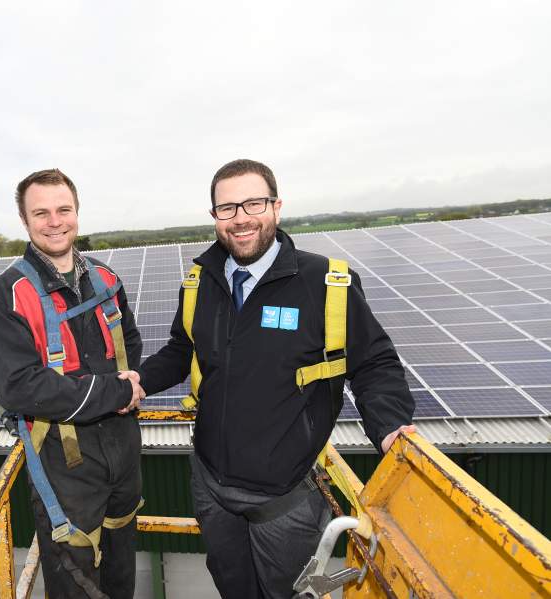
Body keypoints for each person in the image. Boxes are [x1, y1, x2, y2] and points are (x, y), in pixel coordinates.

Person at [124, 159, 415, 598]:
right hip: (210, 483)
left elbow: (375, 363)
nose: (240, 218)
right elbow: (182, 349)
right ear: (215, 217)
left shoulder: (327, 284)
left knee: (287, 593)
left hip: (285, 498)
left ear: (276, 207)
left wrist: (391, 426)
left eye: (253, 203)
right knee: (233, 586)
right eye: (227, 208)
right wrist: (140, 379)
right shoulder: (200, 281)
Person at [0, 168, 145, 599]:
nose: (55, 221)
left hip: (123, 446)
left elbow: (129, 343)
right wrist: (115, 391)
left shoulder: (106, 280)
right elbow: (19, 386)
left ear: (77, 212)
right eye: (41, 213)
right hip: (64, 460)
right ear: (24, 220)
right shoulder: (11, 294)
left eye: (63, 209)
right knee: (75, 577)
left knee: (120, 566)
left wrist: (123, 386)